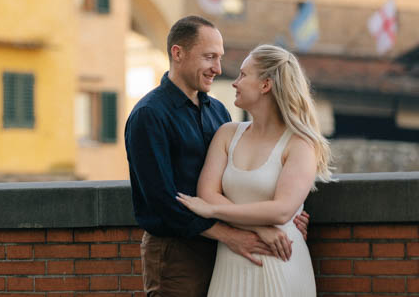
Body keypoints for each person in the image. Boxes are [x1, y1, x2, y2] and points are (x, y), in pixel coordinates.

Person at [125, 16, 308, 297]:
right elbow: (161, 201)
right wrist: (237, 235)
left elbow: (234, 183)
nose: (218, 69)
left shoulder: (219, 112)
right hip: (178, 252)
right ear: (178, 53)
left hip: (225, 250)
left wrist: (287, 218)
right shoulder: (149, 115)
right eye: (209, 57)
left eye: (219, 58)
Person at [176, 44, 332, 296]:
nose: (235, 82)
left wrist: (214, 211)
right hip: (230, 264)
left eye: (243, 75)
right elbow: (207, 193)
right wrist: (260, 228)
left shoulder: (300, 144)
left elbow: (281, 211)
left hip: (280, 259)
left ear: (265, 85)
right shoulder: (227, 133)